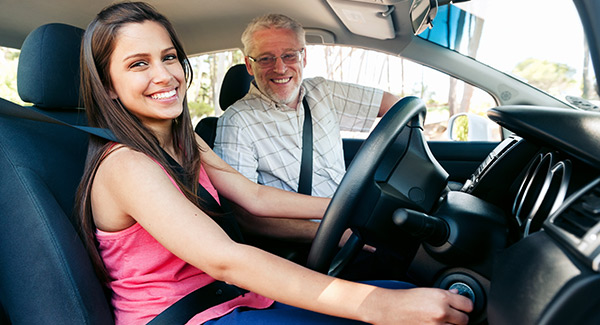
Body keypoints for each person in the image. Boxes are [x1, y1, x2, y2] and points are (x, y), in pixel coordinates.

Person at [75, 2, 473, 324]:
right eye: (138, 64)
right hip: (190, 315)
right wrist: (375, 306)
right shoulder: (126, 164)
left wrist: (346, 207)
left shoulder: (183, 140)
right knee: (391, 303)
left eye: (169, 57)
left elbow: (255, 197)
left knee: (402, 290)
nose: (165, 76)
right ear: (108, 85)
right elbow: (225, 258)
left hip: (230, 299)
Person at [213, 13, 400, 198]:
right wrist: (340, 229)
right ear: (249, 65)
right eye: (265, 59)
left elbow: (394, 105)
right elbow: (246, 214)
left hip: (351, 211)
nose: (280, 68)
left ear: (303, 58)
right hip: (318, 227)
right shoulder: (237, 123)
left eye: (289, 55)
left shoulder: (323, 91)